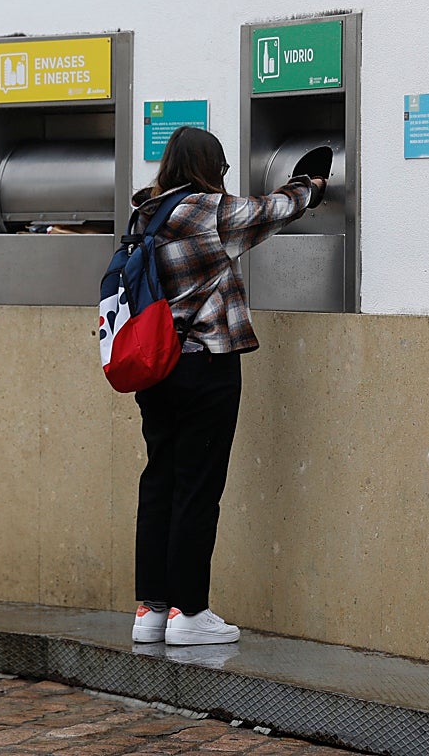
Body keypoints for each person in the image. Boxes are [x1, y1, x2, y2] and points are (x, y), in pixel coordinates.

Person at [129, 126, 326, 646]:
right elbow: (271, 211)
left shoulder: (146, 212)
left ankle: (152, 610)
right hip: (204, 368)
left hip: (156, 369)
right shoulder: (204, 211)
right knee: (197, 487)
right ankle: (190, 614)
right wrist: (311, 184)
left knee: (161, 482)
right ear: (209, 167)